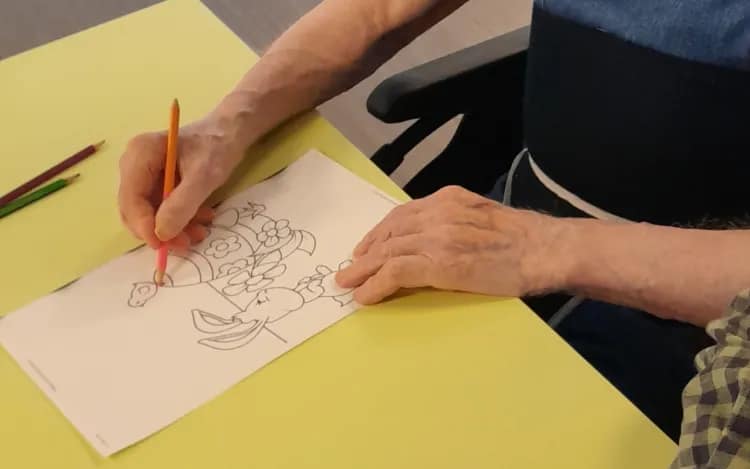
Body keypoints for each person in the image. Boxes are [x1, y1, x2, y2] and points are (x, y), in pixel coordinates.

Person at [118, 0, 750, 465]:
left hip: (698, 313)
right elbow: (376, 12)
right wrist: (225, 127)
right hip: (519, 217)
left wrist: (545, 248)